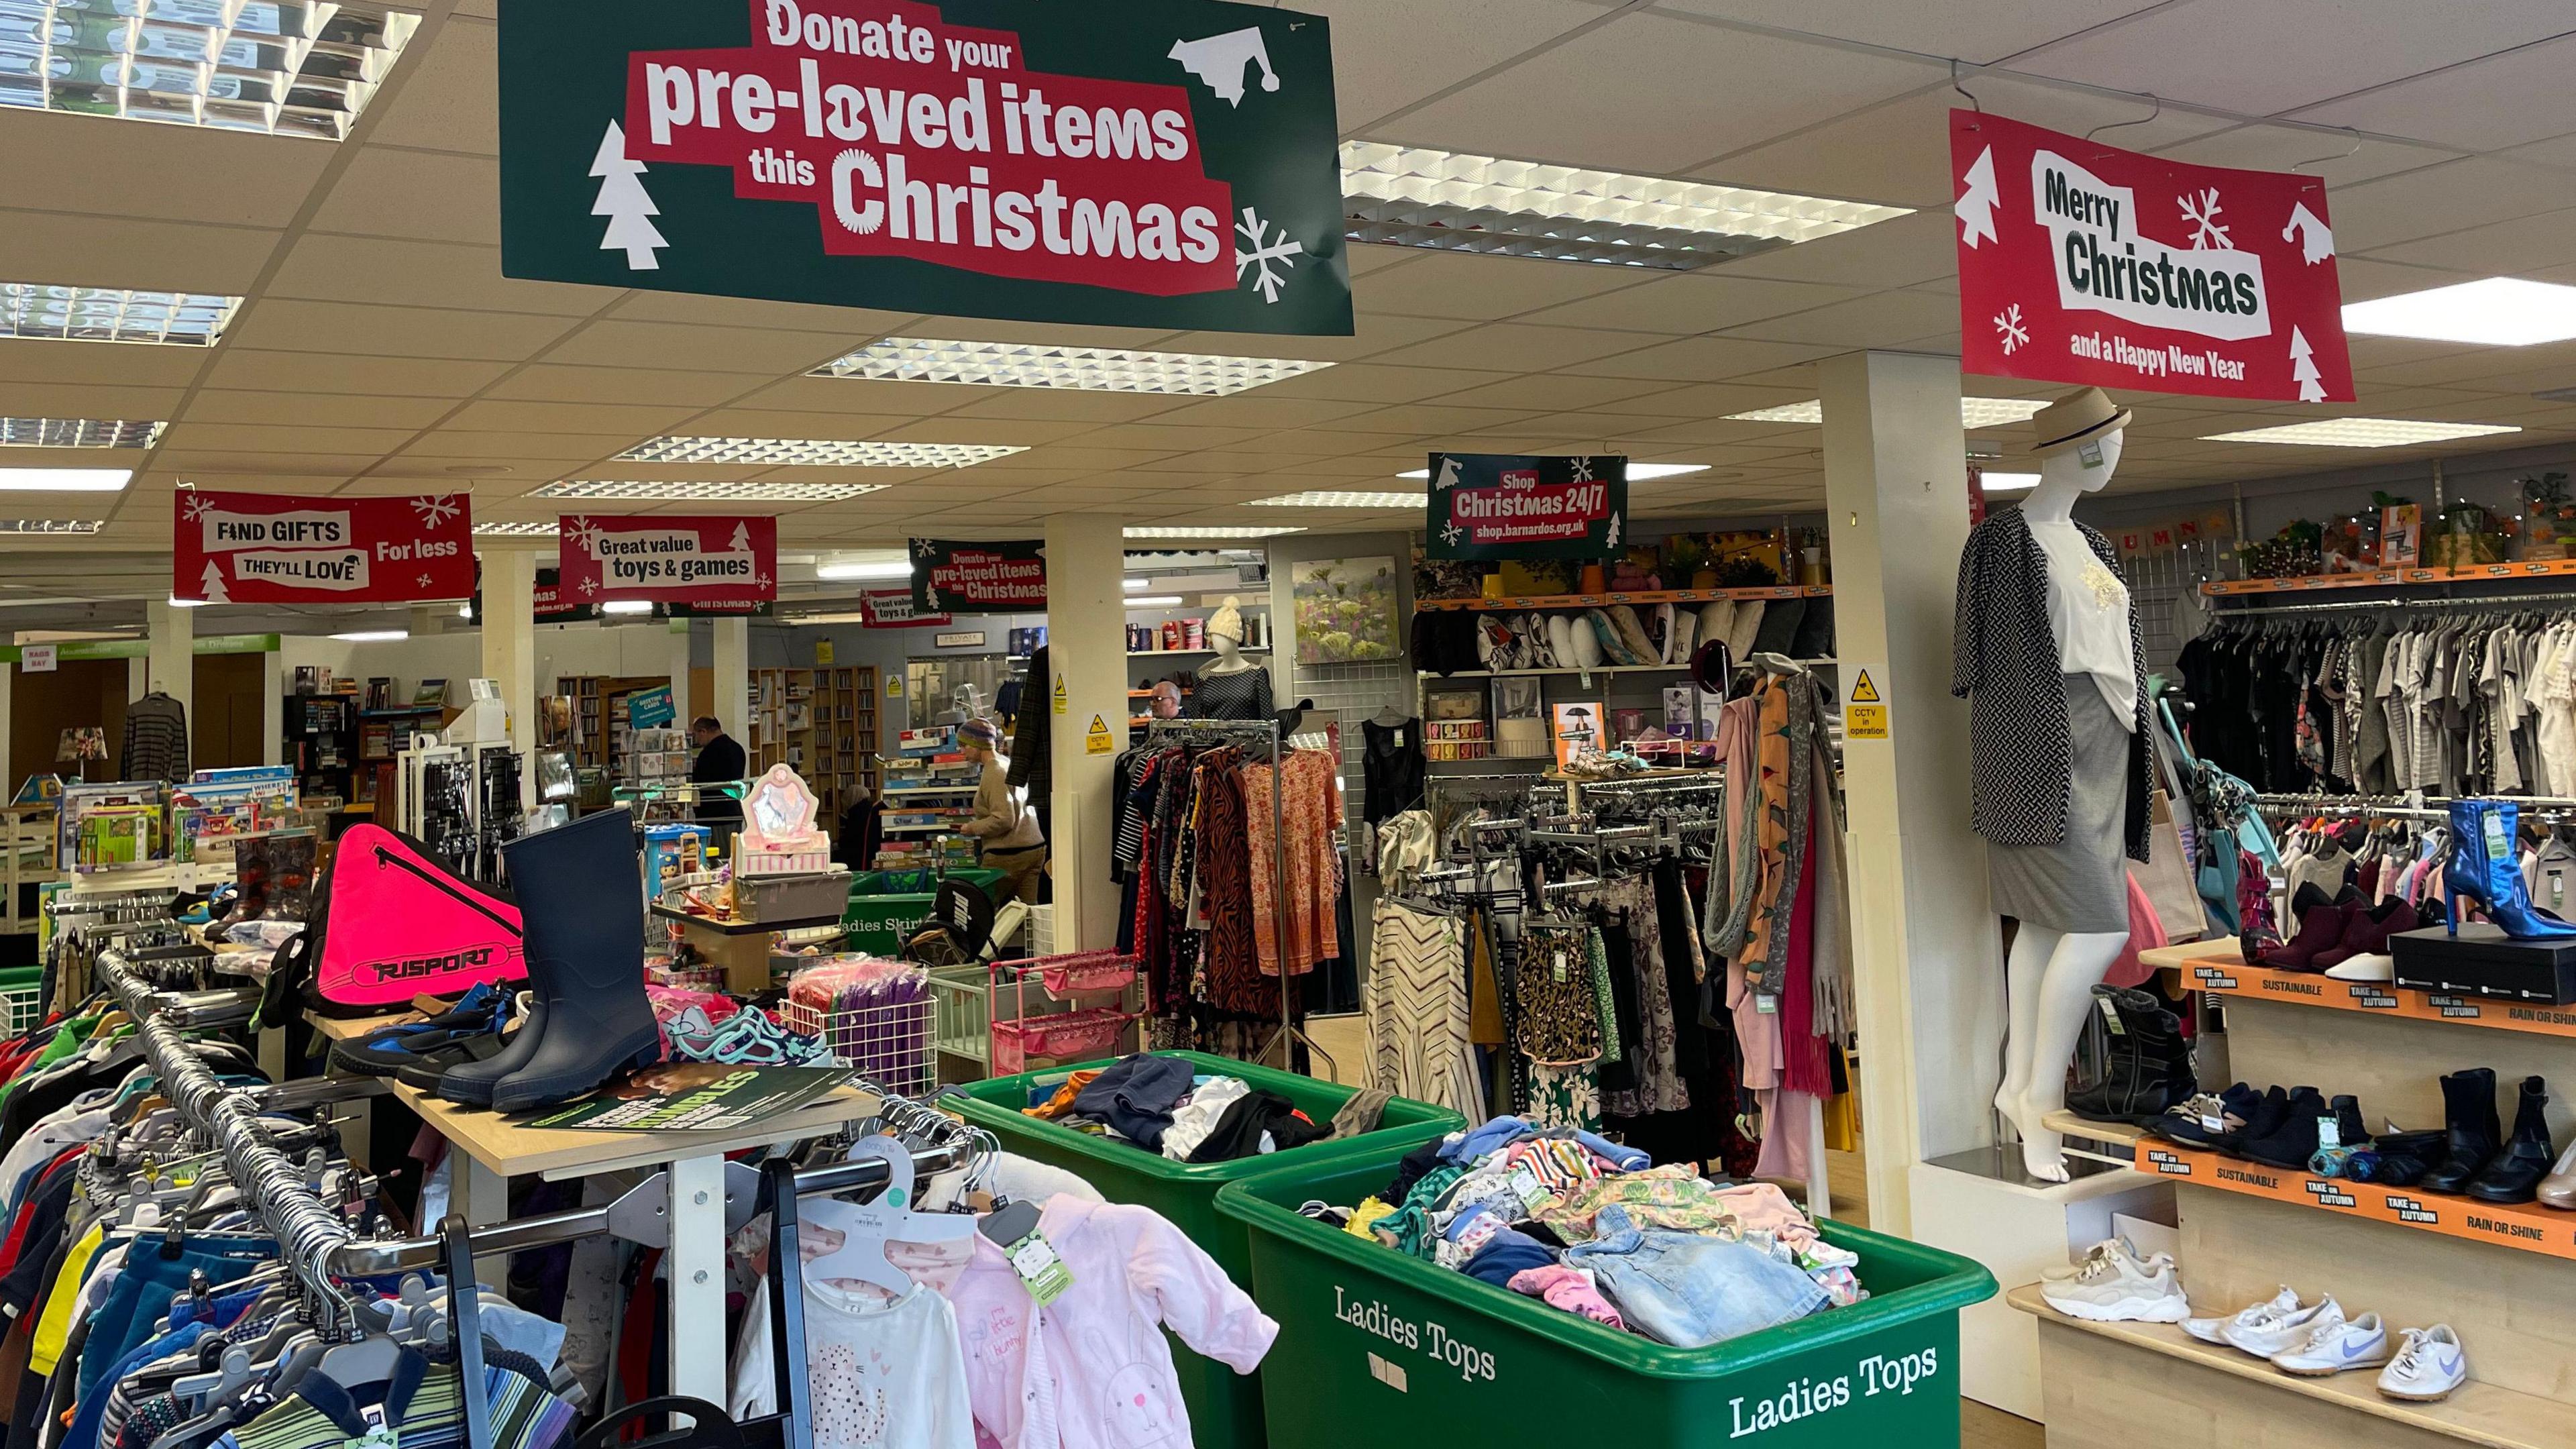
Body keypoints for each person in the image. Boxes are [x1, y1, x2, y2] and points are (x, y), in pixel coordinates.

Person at [957, 716, 1046, 904]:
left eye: (964, 745)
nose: (961, 750)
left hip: (1008, 855)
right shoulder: (1007, 763)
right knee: (1027, 914)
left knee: (979, 908)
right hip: (1033, 848)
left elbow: (1004, 819)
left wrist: (972, 828)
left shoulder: (994, 772)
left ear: (977, 744)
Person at [690, 715, 747, 835]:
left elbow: (699, 784)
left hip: (713, 816)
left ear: (703, 732)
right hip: (734, 811)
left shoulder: (707, 754)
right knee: (733, 850)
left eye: (696, 735)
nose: (696, 741)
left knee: (716, 852)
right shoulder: (738, 748)